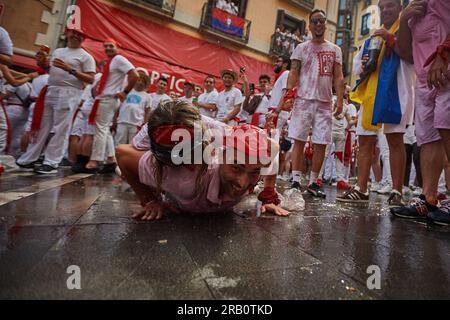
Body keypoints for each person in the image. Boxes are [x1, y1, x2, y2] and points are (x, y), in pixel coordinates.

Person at [116, 100, 289, 220]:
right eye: (181, 162)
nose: (243, 183)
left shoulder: (221, 132)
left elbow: (271, 146)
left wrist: (268, 195)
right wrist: (149, 199)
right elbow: (123, 155)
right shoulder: (177, 176)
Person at [338, 0, 416, 206]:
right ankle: (361, 188)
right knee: (364, 142)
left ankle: (397, 190)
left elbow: (412, 55)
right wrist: (363, 65)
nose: (384, 10)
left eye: (389, 6)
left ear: (400, 8)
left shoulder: (407, 28)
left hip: (396, 90)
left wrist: (391, 39)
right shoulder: (374, 35)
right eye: (381, 7)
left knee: (395, 140)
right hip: (371, 93)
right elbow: (357, 66)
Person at [393, 0, 450, 225]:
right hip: (426, 81)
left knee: (447, 128)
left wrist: (443, 55)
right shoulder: (414, 7)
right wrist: (403, 20)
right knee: (428, 138)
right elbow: (406, 52)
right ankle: (429, 199)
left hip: (446, 70)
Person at [16, 26, 96, 174]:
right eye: (73, 33)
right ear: (68, 33)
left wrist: (70, 69)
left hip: (69, 92)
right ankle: (29, 158)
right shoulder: (58, 52)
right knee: (41, 126)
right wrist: (43, 64)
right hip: (51, 89)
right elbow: (50, 70)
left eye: (80, 34)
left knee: (60, 129)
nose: (75, 36)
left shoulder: (86, 56)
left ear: (83, 39)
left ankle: (51, 162)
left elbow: (91, 78)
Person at [285, 9, 344, 198]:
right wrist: (288, 93)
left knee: (321, 143)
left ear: (326, 25)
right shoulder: (301, 48)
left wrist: (340, 99)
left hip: (325, 102)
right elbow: (294, 72)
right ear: (309, 25)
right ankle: (295, 180)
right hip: (303, 99)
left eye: (322, 21)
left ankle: (313, 182)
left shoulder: (335, 50)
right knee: (299, 140)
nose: (318, 25)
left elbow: (339, 76)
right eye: (315, 21)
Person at [85, 39, 138, 172]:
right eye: (106, 46)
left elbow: (134, 74)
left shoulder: (118, 59)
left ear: (117, 47)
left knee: (101, 129)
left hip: (107, 99)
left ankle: (95, 160)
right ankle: (110, 159)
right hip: (106, 99)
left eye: (111, 46)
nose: (108, 48)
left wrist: (125, 92)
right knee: (105, 129)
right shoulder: (112, 61)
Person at [115, 69, 152, 145]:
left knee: (132, 145)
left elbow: (147, 112)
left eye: (143, 81)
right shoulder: (126, 91)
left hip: (136, 124)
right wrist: (115, 119)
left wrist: (144, 125)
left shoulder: (148, 97)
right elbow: (118, 106)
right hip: (122, 121)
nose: (140, 82)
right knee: (118, 144)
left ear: (146, 84)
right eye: (139, 80)